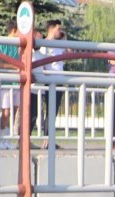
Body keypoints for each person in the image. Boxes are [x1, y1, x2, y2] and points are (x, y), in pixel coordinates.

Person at [37, 19, 67, 149]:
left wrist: (64, 36)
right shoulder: (45, 44)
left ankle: (50, 139)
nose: (60, 31)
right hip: (50, 81)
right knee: (50, 111)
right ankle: (47, 140)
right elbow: (42, 62)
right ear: (51, 29)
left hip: (59, 81)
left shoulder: (58, 44)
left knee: (53, 111)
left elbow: (67, 50)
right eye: (58, 29)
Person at [0, 20, 22, 150]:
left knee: (14, 112)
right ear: (14, 31)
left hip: (15, 82)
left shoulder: (19, 45)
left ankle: (6, 140)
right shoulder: (1, 43)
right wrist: (15, 66)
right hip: (4, 83)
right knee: (6, 112)